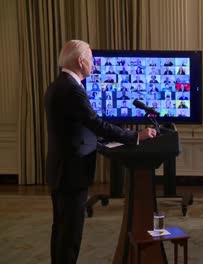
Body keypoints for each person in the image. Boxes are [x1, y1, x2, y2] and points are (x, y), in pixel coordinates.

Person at [44, 40, 157, 264]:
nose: (94, 65)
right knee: (70, 233)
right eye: (92, 59)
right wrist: (136, 136)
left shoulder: (58, 84)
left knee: (61, 228)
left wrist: (103, 138)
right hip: (71, 172)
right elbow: (95, 123)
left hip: (60, 169)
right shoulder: (72, 89)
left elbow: (76, 127)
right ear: (80, 61)